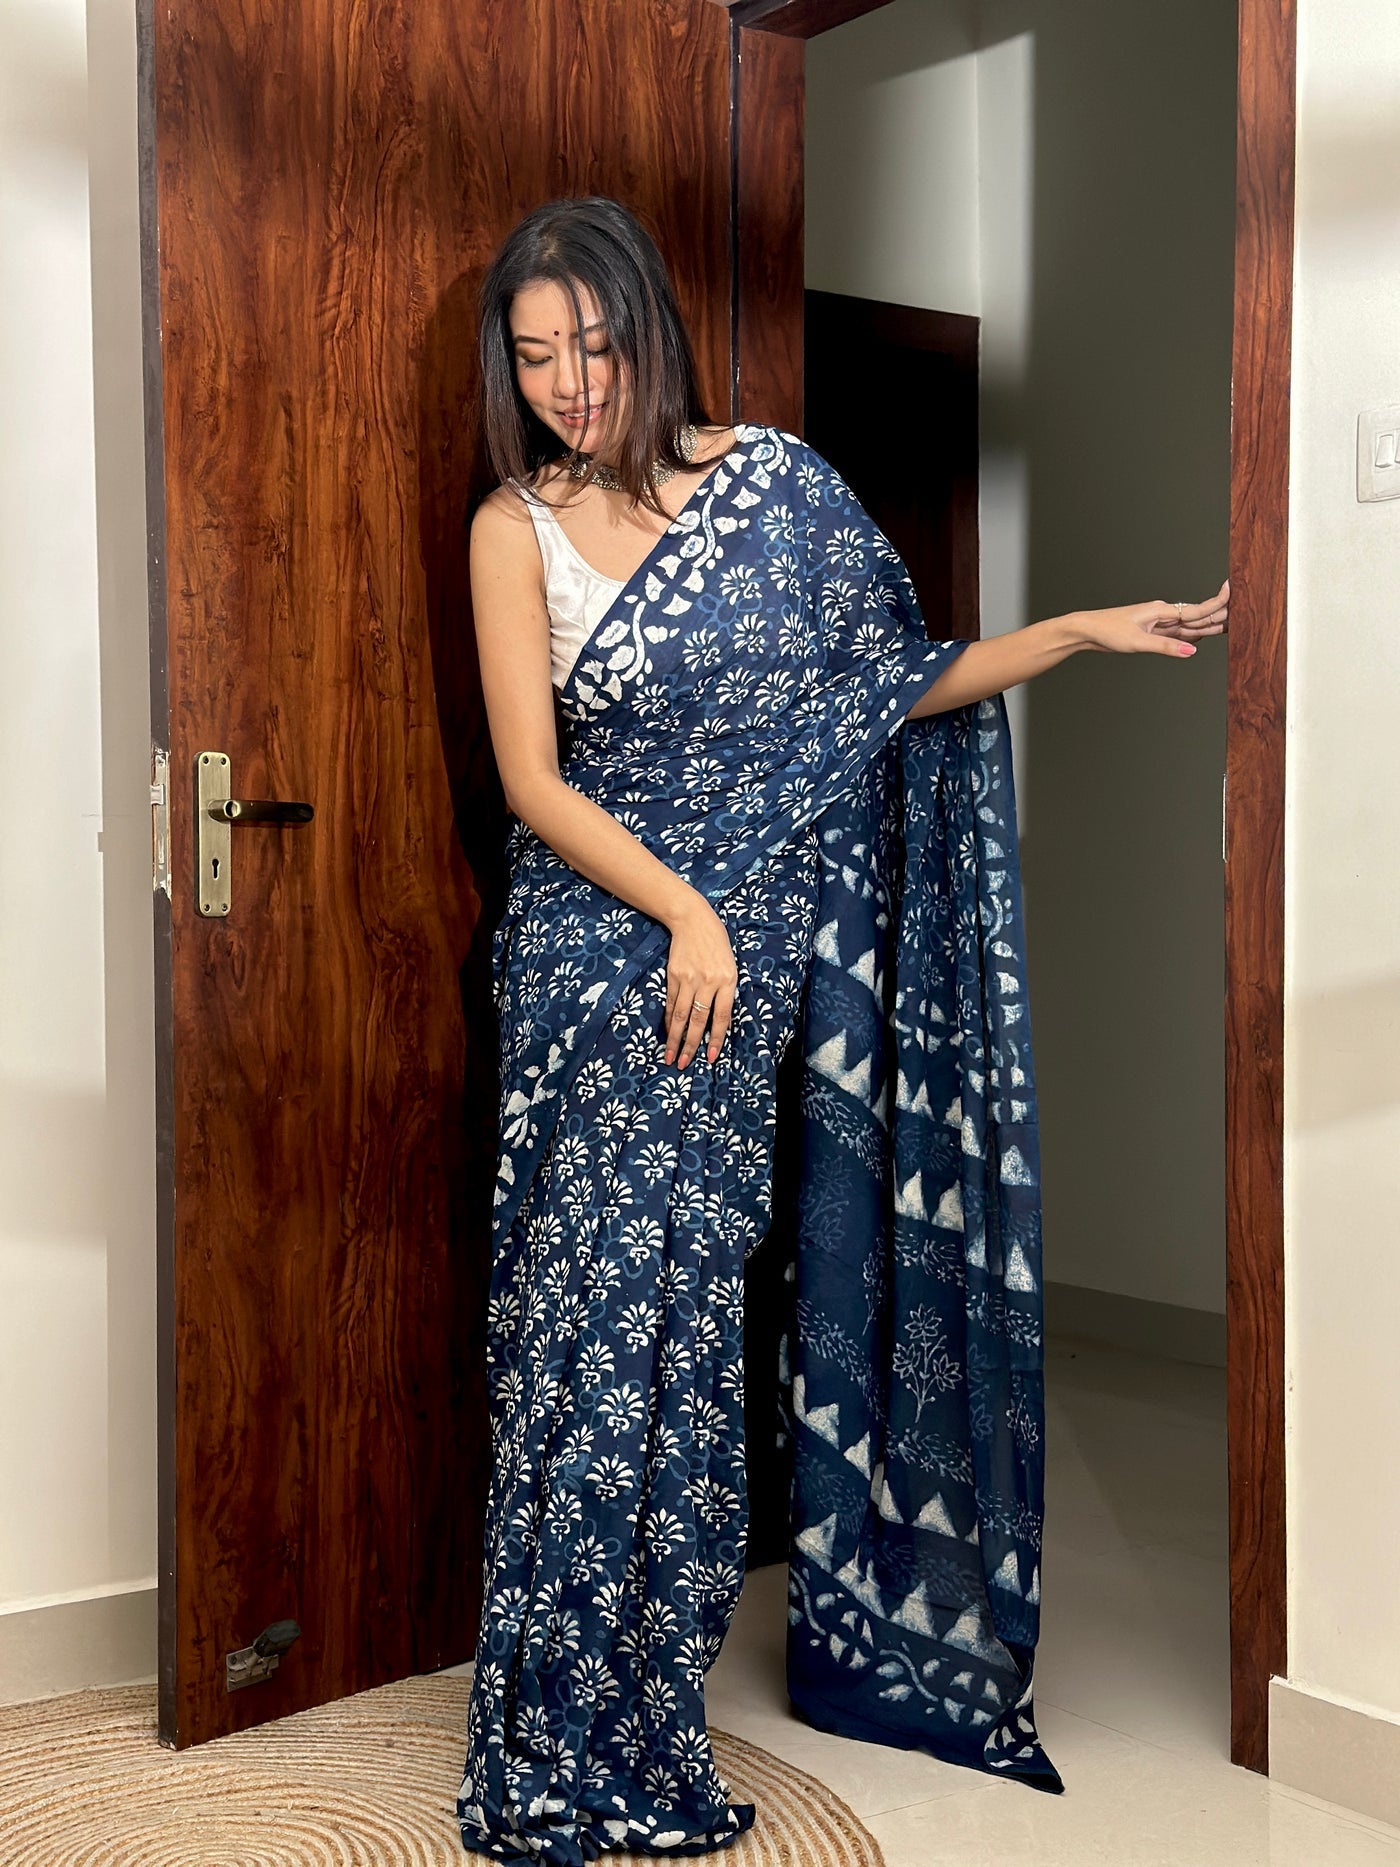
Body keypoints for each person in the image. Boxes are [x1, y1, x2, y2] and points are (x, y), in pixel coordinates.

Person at [455, 196, 1227, 1865]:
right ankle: (551, 1735)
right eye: (534, 358)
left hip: (726, 988)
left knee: (684, 1346)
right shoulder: (513, 528)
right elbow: (531, 783)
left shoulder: (778, 488)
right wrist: (686, 910)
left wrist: (1072, 633)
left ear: (648, 331)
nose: (570, 384)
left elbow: (883, 690)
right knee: (583, 1347)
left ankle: (643, 1720)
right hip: (604, 968)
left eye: (593, 345)